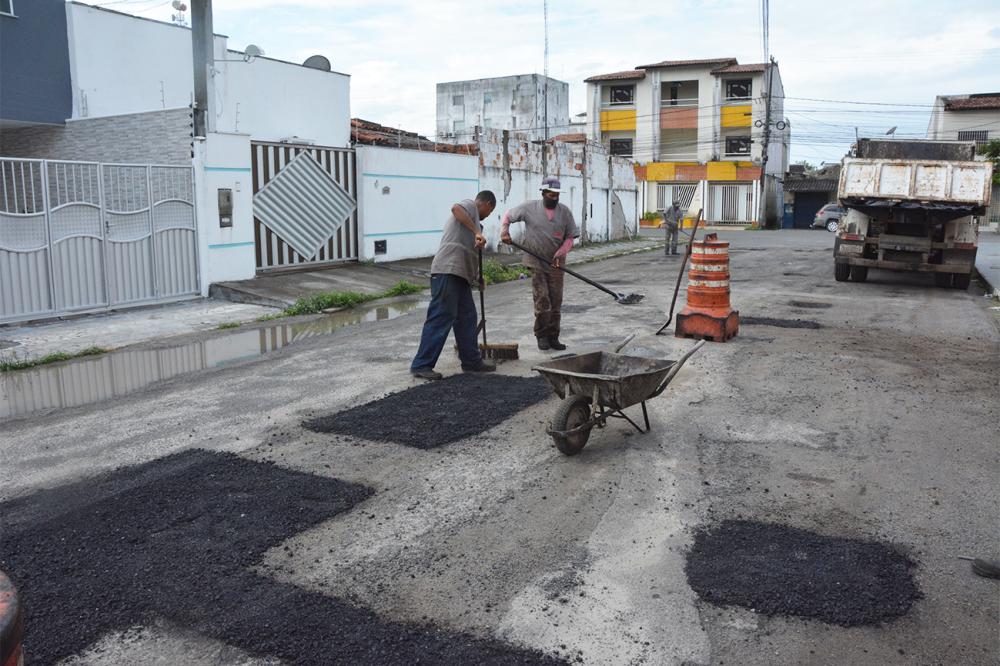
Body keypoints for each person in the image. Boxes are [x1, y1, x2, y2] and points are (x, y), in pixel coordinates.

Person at [410, 191, 498, 380]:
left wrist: (477, 278)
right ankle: (421, 364)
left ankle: (471, 362)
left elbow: (467, 253)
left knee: (467, 318)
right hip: (447, 271)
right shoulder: (470, 206)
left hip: (461, 276)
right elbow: (455, 208)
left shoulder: (476, 225)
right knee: (441, 316)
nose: (487, 215)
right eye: (490, 212)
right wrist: (476, 232)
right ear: (487, 204)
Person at [500, 177, 579, 351]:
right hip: (535, 259)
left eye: (557, 195)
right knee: (542, 299)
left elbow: (570, 237)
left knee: (556, 302)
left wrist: (561, 253)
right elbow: (508, 216)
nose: (555, 198)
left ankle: (553, 336)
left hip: (556, 263)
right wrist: (504, 231)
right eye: (551, 194)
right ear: (543, 193)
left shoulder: (565, 212)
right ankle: (541, 335)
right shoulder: (529, 208)